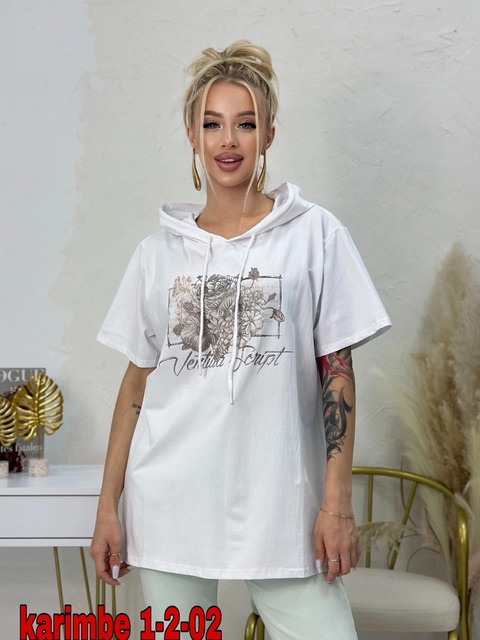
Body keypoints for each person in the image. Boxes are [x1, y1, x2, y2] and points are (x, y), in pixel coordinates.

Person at [90, 40, 391, 639]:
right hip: (169, 504)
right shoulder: (157, 254)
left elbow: (337, 372)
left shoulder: (314, 235)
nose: (228, 140)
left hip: (282, 507)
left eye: (246, 124)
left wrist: (337, 504)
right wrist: (107, 508)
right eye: (212, 124)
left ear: (269, 134)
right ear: (192, 135)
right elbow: (136, 386)